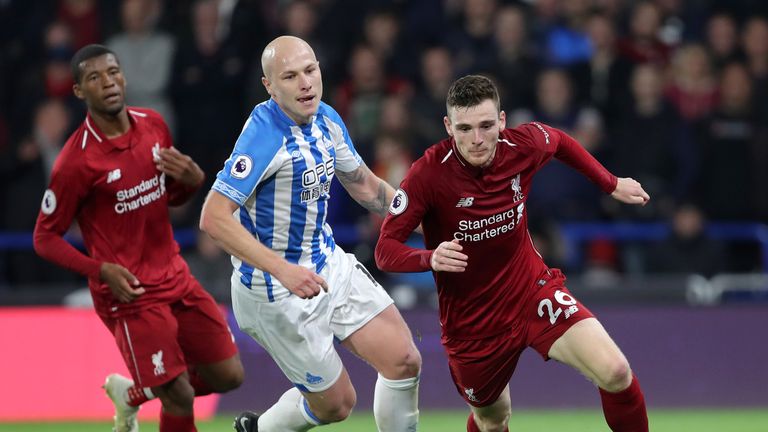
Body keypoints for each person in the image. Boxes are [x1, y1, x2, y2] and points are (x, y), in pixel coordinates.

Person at [375, 75, 650, 432]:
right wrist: (430, 258)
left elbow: (561, 141)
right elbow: (384, 250)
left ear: (502, 121)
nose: (477, 140)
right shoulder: (427, 174)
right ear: (448, 127)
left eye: (487, 126)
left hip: (531, 291)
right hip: (473, 323)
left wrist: (610, 183)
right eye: (465, 128)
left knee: (615, 371)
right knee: (492, 419)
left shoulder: (522, 145)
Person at [199, 35, 421, 432]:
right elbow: (213, 218)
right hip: (274, 290)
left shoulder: (327, 119)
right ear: (270, 86)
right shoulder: (263, 136)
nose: (305, 83)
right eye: (290, 76)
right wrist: (284, 270)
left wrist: (428, 219)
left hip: (326, 262)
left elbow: (366, 187)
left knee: (404, 359)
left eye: (310, 70)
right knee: (337, 405)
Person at [32, 44, 244, 432]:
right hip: (129, 294)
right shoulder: (76, 161)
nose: (107, 82)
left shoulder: (153, 124)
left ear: (124, 76)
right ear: (79, 91)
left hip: (175, 275)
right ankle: (157, 389)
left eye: (112, 72)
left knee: (229, 376)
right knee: (178, 394)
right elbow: (44, 237)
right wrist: (100, 271)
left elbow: (165, 197)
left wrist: (192, 184)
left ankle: (133, 393)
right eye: (94, 78)